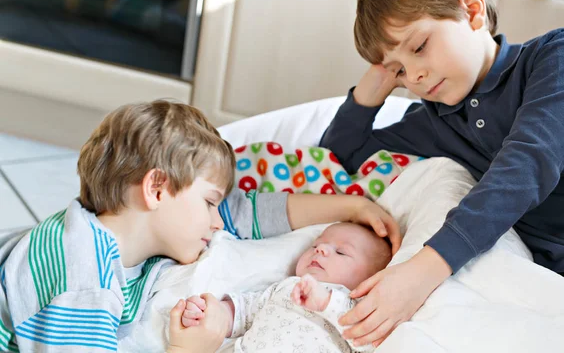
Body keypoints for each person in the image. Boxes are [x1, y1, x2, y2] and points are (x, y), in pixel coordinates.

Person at [318, 0, 564, 347]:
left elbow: (527, 167)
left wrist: (425, 269)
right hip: (563, 282)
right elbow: (337, 157)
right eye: (398, 70)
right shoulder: (434, 120)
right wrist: (372, 90)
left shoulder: (556, 57)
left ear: (471, 11)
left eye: (419, 47)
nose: (413, 76)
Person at [0, 100, 400, 352]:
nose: (217, 221)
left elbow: (246, 214)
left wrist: (350, 205)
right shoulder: (82, 278)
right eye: (210, 202)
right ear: (156, 188)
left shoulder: (134, 232)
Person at [173, 222, 392, 353]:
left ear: (370, 279)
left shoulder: (357, 305)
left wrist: (325, 301)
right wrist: (213, 313)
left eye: (341, 252)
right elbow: (246, 311)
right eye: (315, 245)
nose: (321, 249)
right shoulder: (287, 287)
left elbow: (368, 343)